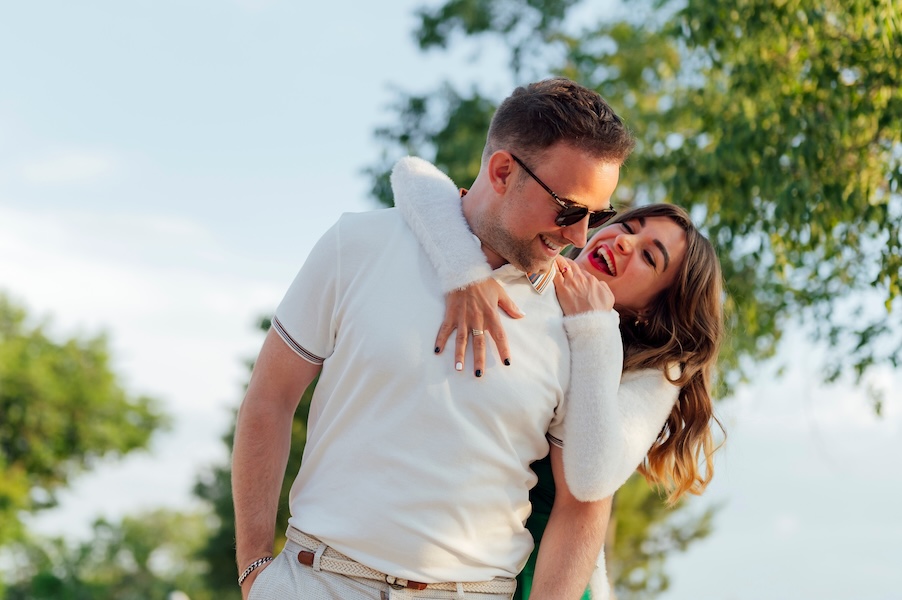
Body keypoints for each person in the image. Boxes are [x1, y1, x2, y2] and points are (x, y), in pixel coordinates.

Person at [231, 78, 636, 600]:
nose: (580, 236)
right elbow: (269, 397)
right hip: (318, 581)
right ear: (503, 171)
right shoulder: (357, 244)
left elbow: (582, 503)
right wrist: (255, 569)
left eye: (596, 216)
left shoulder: (577, 323)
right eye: (569, 210)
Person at [395, 183, 725, 598]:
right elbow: (414, 180)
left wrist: (594, 325)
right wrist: (463, 271)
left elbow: (592, 481)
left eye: (648, 256)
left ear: (651, 308)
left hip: (545, 579)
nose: (625, 242)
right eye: (630, 227)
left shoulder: (653, 374)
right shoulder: (526, 275)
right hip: (452, 555)